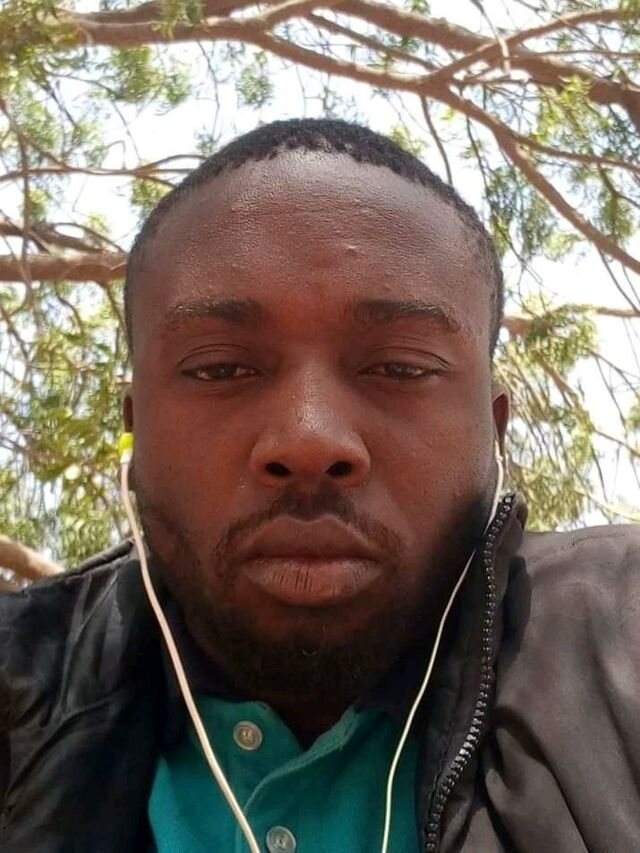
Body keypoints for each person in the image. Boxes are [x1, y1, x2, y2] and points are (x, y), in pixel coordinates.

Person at [1, 118, 639, 853]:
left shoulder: (623, 634)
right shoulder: (21, 683)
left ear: (493, 431)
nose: (309, 441)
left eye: (399, 367)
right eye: (220, 368)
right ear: (135, 430)